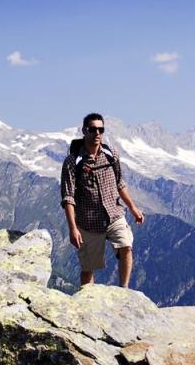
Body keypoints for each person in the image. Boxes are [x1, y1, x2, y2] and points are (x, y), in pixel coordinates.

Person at [60, 112, 145, 288]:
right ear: (84, 131)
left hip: (114, 214)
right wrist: (72, 229)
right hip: (88, 222)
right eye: (93, 129)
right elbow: (68, 198)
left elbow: (120, 184)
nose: (97, 133)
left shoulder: (111, 154)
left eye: (101, 129)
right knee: (88, 268)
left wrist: (133, 209)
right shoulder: (73, 162)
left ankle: (124, 290)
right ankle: (86, 301)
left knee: (126, 246)